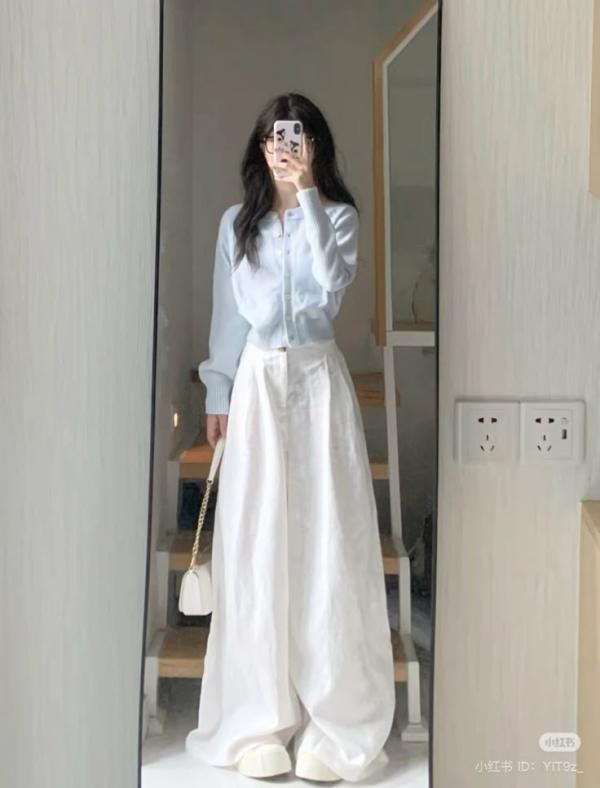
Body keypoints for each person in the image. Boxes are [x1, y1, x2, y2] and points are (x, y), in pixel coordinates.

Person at [185, 92, 396, 783]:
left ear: (314, 146)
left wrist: (307, 194)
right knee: (256, 544)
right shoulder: (235, 225)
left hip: (318, 383)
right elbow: (228, 316)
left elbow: (333, 286)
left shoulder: (338, 217)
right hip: (255, 386)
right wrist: (217, 391)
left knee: (326, 542)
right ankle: (258, 720)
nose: (286, 147)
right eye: (277, 138)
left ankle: (331, 724)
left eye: (298, 138)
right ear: (262, 145)